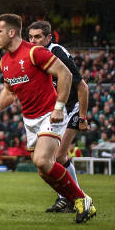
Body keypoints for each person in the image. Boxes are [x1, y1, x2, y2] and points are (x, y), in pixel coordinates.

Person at [0, 14, 95, 223]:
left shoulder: (35, 52)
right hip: (30, 120)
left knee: (44, 160)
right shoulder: (5, 61)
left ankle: (82, 200)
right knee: (43, 170)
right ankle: (76, 200)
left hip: (49, 115)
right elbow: (9, 91)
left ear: (11, 32)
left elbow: (66, 75)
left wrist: (59, 108)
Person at [28, 20, 91, 213]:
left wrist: (82, 117)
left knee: (58, 156)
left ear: (48, 37)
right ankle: (70, 198)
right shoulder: (34, 56)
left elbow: (82, 86)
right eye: (30, 37)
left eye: (38, 36)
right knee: (55, 158)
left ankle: (73, 198)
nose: (33, 41)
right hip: (54, 110)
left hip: (70, 108)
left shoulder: (56, 52)